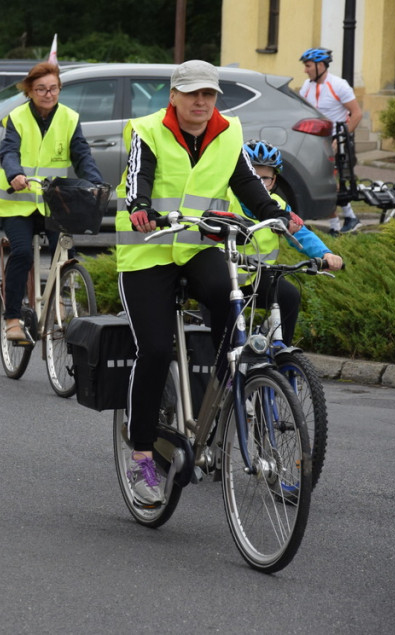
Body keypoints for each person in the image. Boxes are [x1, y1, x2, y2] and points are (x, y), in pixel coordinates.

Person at [116, 60, 301, 506]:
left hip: (199, 247)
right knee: (156, 349)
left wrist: (274, 212)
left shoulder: (229, 132)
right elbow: (137, 177)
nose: (202, 102)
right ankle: (141, 453)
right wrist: (140, 205)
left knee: (226, 293)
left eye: (209, 94)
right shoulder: (147, 129)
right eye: (193, 94)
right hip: (148, 250)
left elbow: (247, 184)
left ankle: (226, 385)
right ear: (174, 96)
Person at [0, 61, 104, 342]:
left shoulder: (69, 118)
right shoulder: (17, 118)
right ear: (30, 91)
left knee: (64, 253)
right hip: (18, 202)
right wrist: (15, 173)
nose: (47, 94)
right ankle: (12, 319)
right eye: (41, 89)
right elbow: (8, 152)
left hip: (54, 203)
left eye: (53, 88)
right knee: (20, 253)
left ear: (59, 89)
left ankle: (60, 298)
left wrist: (95, 183)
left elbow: (82, 156)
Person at [237, 140, 344, 344]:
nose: (259, 184)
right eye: (253, 177)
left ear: (274, 180)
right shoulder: (225, 199)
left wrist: (325, 254)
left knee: (289, 296)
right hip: (224, 277)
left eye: (265, 179)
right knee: (226, 339)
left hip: (257, 277)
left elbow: (301, 233)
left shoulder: (278, 206)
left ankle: (281, 353)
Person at [299, 48, 363, 235]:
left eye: (308, 66)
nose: (305, 70)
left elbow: (357, 114)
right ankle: (342, 220)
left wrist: (341, 139)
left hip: (336, 142)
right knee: (324, 183)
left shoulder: (339, 85)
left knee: (330, 182)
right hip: (316, 142)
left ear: (320, 65)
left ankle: (344, 220)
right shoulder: (307, 86)